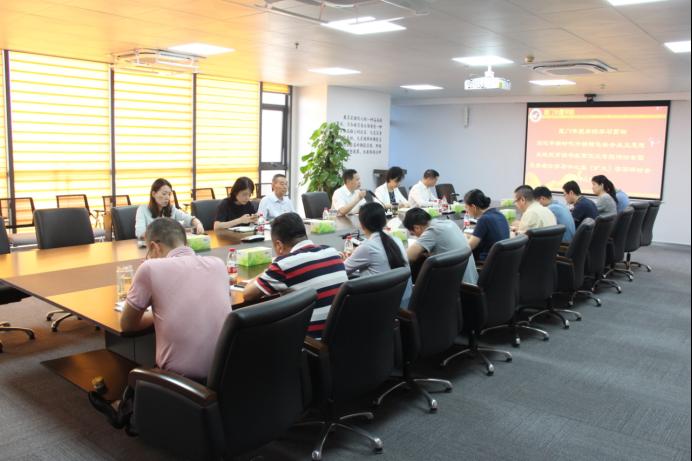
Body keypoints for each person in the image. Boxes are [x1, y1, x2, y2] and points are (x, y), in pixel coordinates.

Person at [121, 218, 231, 381]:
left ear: (154, 247)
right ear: (185, 242)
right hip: (226, 374)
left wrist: (157, 316)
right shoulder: (218, 264)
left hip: (180, 381)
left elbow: (127, 325)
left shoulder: (150, 268)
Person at [243, 212, 348, 337]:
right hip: (341, 337)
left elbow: (248, 294)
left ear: (279, 245)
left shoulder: (284, 265)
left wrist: (269, 268)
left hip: (310, 343)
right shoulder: (332, 252)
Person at [343, 202, 412, 304]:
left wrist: (346, 258)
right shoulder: (397, 240)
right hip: (405, 301)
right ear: (385, 221)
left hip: (382, 306)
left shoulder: (367, 247)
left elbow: (341, 271)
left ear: (361, 225)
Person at [403, 208, 478, 285]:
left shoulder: (432, 231)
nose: (416, 237)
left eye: (413, 234)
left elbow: (407, 257)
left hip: (460, 287)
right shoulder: (450, 223)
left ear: (417, 228)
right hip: (471, 283)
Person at [135, 178, 204, 239]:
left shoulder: (171, 209)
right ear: (153, 194)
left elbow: (187, 218)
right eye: (164, 194)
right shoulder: (142, 210)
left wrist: (198, 224)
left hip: (170, 246)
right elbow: (140, 233)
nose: (167, 197)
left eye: (169, 194)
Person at [463, 189, 509, 261]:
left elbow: (469, 246)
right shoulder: (499, 214)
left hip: (487, 262)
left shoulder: (484, 219)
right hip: (503, 260)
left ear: (473, 207)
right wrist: (468, 236)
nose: (466, 210)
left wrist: (462, 239)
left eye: (466, 207)